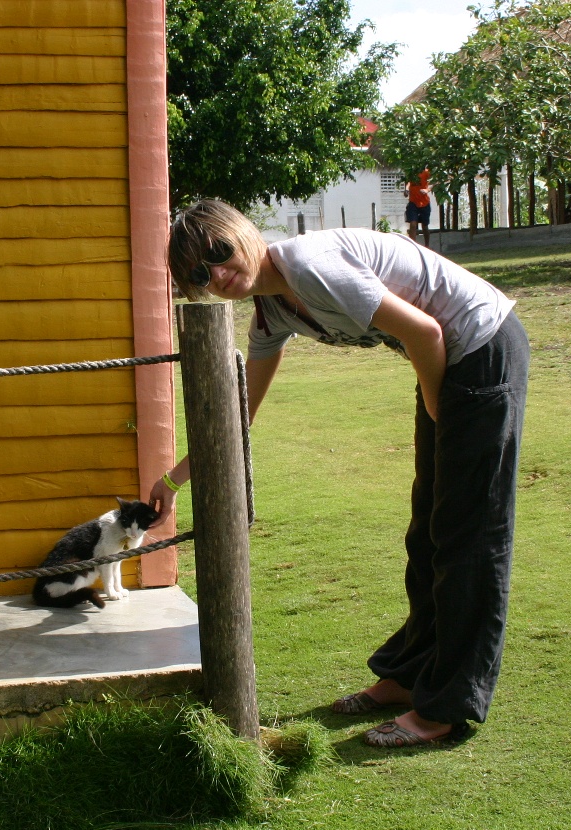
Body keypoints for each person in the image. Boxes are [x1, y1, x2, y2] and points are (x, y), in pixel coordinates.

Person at [152, 199, 529, 748]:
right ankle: (406, 677)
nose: (215, 271)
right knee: (428, 530)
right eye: (196, 271)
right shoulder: (272, 311)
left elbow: (426, 333)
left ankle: (446, 707)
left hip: (481, 347)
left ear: (242, 234)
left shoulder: (310, 265)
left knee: (469, 533)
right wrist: (171, 481)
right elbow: (238, 414)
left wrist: (436, 409)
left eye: (218, 250)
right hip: (449, 365)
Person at [404, 168, 433, 247]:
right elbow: (408, 182)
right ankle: (412, 246)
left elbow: (434, 181)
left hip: (424, 203)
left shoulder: (426, 172)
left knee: (425, 227)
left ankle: (427, 246)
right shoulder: (411, 172)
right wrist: (406, 189)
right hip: (413, 203)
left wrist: (427, 190)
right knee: (413, 225)